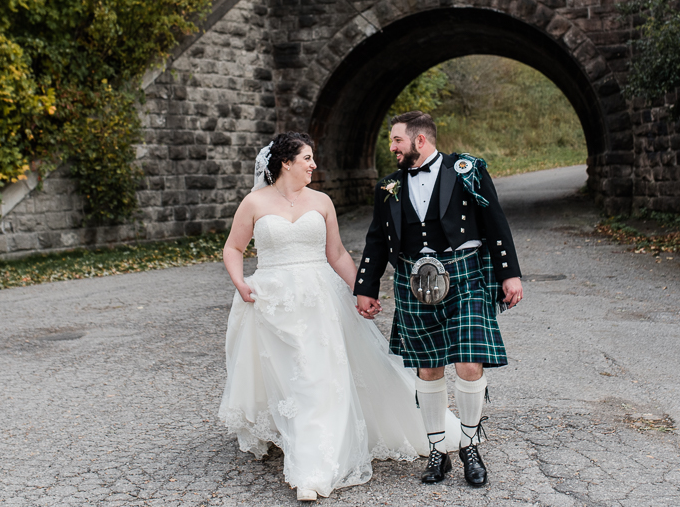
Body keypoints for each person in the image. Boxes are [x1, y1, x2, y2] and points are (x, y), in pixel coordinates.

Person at [217, 131, 455, 502]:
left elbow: (338, 254)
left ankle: (313, 468)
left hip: (320, 300)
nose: (314, 165)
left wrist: (364, 290)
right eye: (308, 159)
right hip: (272, 300)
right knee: (292, 378)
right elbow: (233, 248)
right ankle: (302, 446)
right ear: (286, 163)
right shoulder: (254, 202)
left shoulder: (322, 201)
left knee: (319, 376)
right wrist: (239, 282)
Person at [355, 111, 524, 488]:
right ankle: (437, 451)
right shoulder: (389, 187)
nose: (392, 148)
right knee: (428, 368)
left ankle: (469, 445)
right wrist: (365, 287)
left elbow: (495, 221)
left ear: (419, 140)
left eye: (397, 140)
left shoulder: (467, 170)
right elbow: (377, 239)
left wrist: (509, 273)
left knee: (468, 362)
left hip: (465, 274)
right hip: (414, 280)